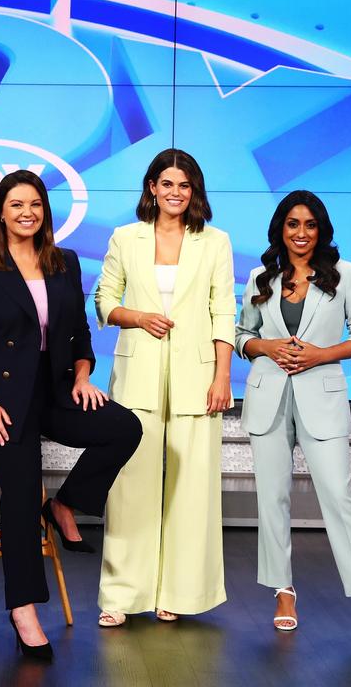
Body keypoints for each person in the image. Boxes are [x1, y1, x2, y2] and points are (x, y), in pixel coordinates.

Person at [0, 170, 142, 660]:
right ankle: (24, 610)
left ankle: (65, 504)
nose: (27, 212)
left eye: (35, 204)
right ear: (0, 213)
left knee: (123, 427)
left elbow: (78, 333)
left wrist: (81, 376)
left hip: (54, 392)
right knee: (21, 484)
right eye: (16, 205)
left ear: (45, 212)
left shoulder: (64, 263)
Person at [235, 190, 351, 643]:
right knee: (272, 500)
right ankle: (283, 591)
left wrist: (322, 354)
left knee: (340, 497)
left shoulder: (346, 275)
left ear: (321, 231)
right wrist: (265, 346)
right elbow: (242, 335)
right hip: (268, 398)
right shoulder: (262, 276)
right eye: (293, 224)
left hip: (322, 398)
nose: (301, 233)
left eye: (310, 225)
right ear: (280, 229)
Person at [94, 148, 234, 627]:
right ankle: (121, 593)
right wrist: (137, 317)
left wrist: (222, 376)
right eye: (167, 183)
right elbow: (104, 300)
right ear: (152, 187)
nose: (175, 192)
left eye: (185, 185)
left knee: (190, 491)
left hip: (198, 381)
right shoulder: (125, 238)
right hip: (137, 378)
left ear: (194, 191)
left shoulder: (214, 241)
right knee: (130, 487)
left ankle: (179, 591)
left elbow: (224, 312)